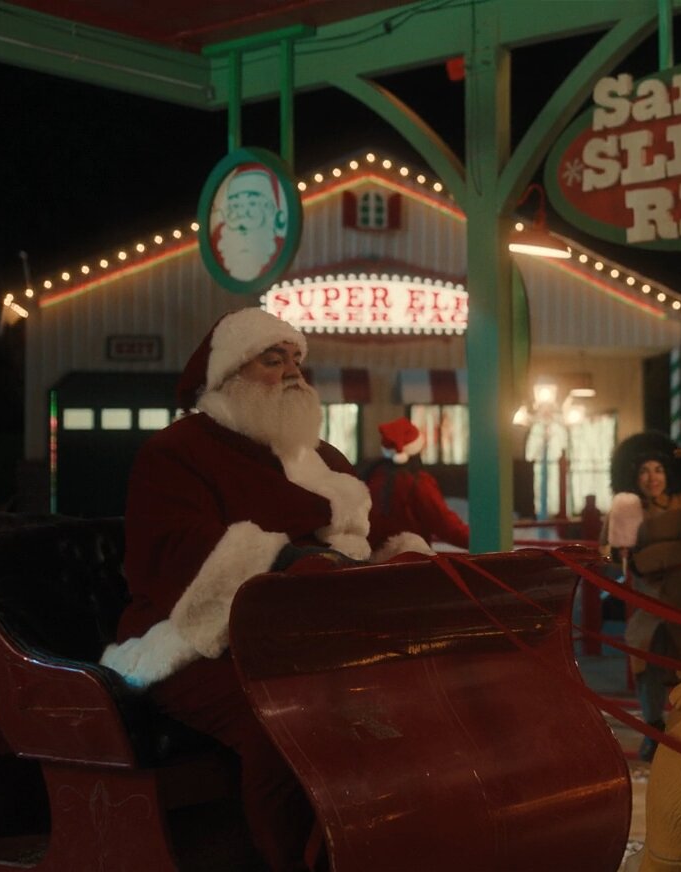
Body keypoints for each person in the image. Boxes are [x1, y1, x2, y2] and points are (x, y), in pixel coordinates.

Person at [97, 308, 391, 872]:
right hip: (192, 638)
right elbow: (181, 554)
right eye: (272, 360)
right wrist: (294, 565)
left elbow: (375, 531)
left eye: (296, 360)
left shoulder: (322, 459)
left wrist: (405, 557)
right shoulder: (177, 452)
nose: (292, 373)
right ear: (229, 375)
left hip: (314, 633)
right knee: (286, 718)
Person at [605, 431, 681, 762]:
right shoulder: (626, 507)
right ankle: (653, 729)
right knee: (646, 659)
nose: (652, 478)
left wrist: (648, 557)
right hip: (648, 600)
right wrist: (623, 555)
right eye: (644, 471)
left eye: (658, 470)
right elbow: (611, 553)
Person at [365, 416, 469, 552]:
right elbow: (444, 524)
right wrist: (480, 541)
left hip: (374, 558)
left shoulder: (372, 476)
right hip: (410, 558)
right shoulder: (418, 482)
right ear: (416, 448)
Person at [212, 165, 289, 281]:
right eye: (236, 206)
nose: (242, 219)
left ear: (268, 209)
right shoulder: (216, 243)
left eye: (252, 204)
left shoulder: (282, 247)